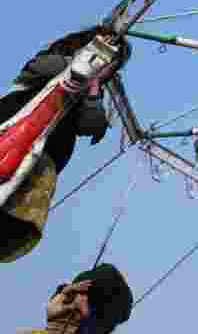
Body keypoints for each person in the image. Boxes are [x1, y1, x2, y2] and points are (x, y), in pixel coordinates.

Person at [0, 27, 130, 262]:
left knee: (12, 218)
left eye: (113, 64)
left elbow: (91, 125)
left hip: (40, 165)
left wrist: (92, 90)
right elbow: (43, 67)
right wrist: (86, 60)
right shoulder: (48, 64)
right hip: (9, 132)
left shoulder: (92, 96)